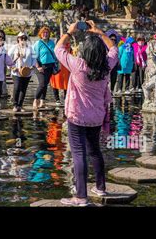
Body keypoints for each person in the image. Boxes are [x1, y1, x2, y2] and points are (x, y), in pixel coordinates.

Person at [55, 20, 117, 206]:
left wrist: (70, 32)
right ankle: (100, 187)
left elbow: (58, 49)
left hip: (77, 116)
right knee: (95, 151)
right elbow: (114, 49)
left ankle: (81, 197)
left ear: (85, 52)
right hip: (96, 117)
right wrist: (100, 32)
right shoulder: (106, 67)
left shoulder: (78, 65)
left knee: (79, 153)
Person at [8, 32, 35, 112]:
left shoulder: (30, 48)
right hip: (16, 71)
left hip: (27, 72)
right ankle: (15, 105)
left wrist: (32, 66)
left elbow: (34, 58)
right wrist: (12, 67)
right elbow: (8, 58)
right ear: (18, 39)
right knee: (17, 87)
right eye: (21, 38)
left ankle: (20, 105)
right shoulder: (14, 47)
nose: (23, 40)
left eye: (25, 38)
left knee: (23, 89)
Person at [33, 26, 57, 109]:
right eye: (43, 33)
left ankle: (42, 102)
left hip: (50, 65)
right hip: (40, 65)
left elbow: (55, 54)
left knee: (46, 84)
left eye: (47, 33)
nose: (45, 34)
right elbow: (34, 56)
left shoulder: (52, 43)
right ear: (40, 34)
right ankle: (36, 100)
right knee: (42, 83)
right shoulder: (38, 43)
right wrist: (38, 66)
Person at [50, 41, 71, 105]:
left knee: (66, 84)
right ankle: (57, 99)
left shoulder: (69, 48)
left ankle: (65, 98)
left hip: (66, 68)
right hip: (57, 68)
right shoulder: (55, 48)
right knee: (55, 83)